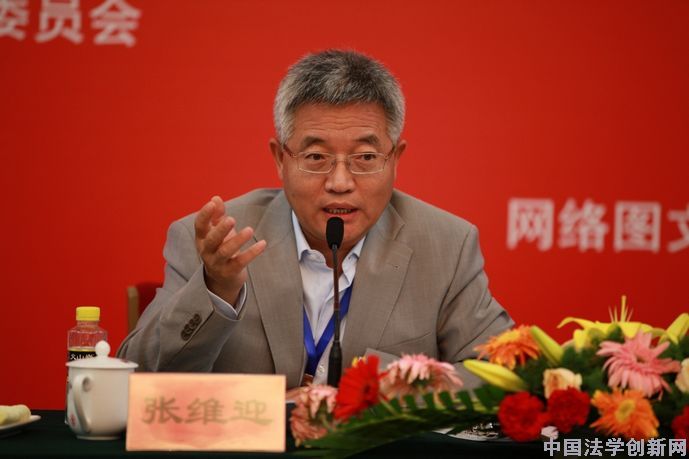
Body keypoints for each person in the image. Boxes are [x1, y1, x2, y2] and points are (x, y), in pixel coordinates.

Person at [117, 49, 513, 391]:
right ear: (281, 159)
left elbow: (504, 375)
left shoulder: (446, 245)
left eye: (365, 158)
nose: (340, 183)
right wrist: (216, 287)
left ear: (395, 159)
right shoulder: (217, 241)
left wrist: (372, 396)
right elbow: (139, 379)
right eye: (316, 158)